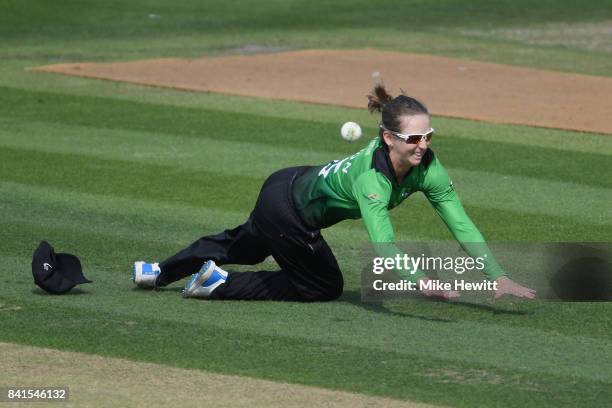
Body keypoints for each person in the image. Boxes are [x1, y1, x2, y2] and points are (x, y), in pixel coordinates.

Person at [132, 85, 536, 301]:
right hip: (289, 212)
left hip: (283, 185)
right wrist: (420, 280)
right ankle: (218, 285)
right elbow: (384, 245)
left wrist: (496, 276)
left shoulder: (427, 169)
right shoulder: (372, 181)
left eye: (428, 135)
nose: (423, 144)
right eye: (413, 137)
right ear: (387, 138)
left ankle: (157, 272)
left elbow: (460, 223)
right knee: (323, 287)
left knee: (247, 245)